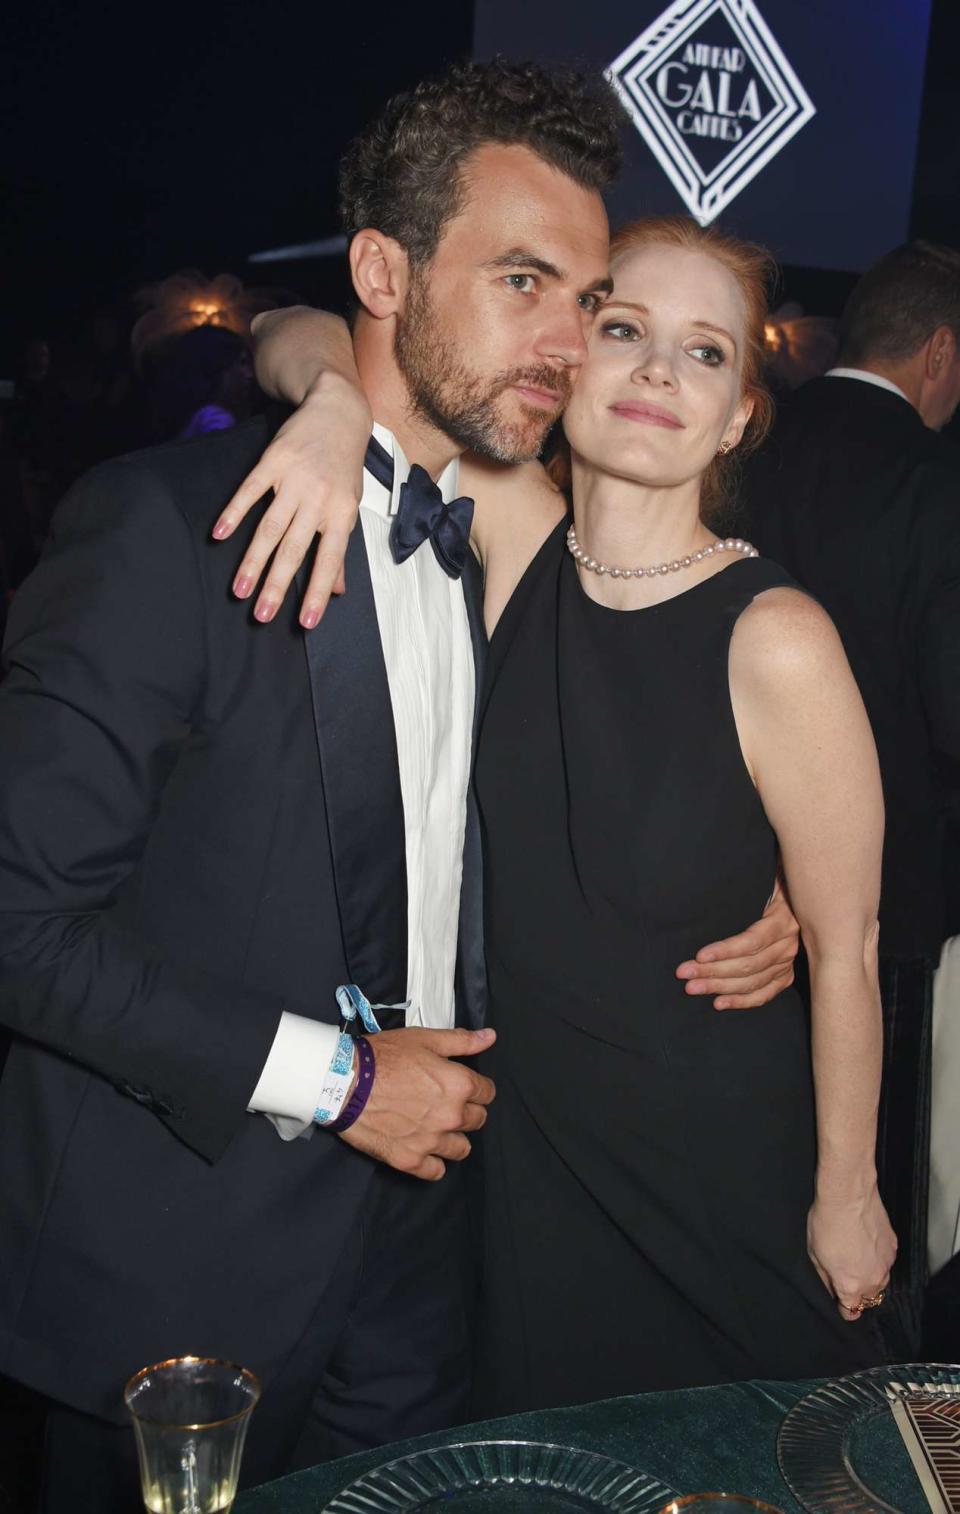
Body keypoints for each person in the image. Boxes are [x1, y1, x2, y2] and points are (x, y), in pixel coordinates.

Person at [0, 63, 796, 1512]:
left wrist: (795, 880)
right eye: (521, 280)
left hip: (435, 1258)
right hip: (189, 1272)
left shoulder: (497, 545)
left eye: (587, 295)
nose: (568, 340)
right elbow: (18, 923)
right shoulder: (165, 534)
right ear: (383, 267)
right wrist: (347, 1078)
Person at [214, 215, 896, 1411]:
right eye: (624, 329)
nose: (655, 372)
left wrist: (848, 1192)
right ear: (571, 357)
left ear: (739, 413)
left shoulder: (777, 637)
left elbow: (851, 949)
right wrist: (329, 406)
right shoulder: (515, 535)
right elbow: (286, 327)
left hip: (715, 1170)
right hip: (528, 1169)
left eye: (705, 353)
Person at [741, 240, 960, 1355]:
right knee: (879, 1169)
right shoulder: (933, 481)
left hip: (726, 897)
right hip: (893, 898)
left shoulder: (742, 448)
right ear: (940, 351)